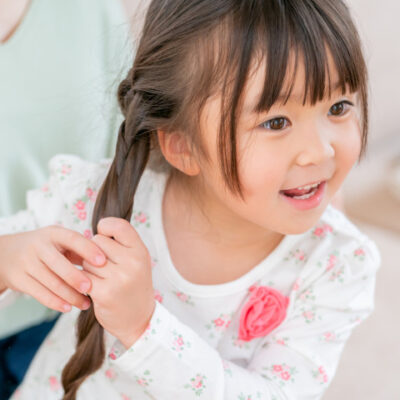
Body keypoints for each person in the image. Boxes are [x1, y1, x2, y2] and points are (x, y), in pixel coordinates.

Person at [0, 0, 380, 399]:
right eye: (275, 122)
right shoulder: (97, 196)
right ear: (182, 145)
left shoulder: (335, 266)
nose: (320, 151)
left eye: (338, 107)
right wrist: (8, 260)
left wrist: (144, 328)